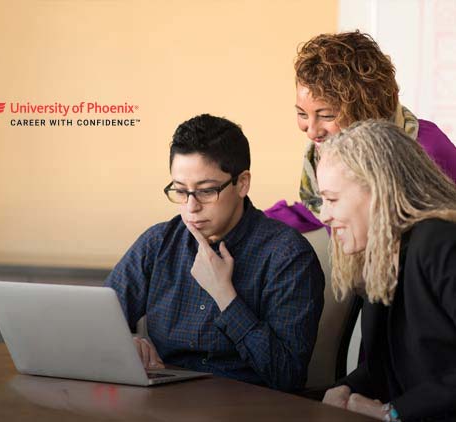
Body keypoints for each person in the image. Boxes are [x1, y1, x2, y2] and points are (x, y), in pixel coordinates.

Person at [104, 114, 324, 391]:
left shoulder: (288, 256)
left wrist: (225, 296)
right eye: (180, 191)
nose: (191, 207)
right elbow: (97, 324)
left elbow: (287, 376)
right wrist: (126, 343)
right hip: (164, 400)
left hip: (248, 404)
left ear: (242, 183)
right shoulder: (158, 243)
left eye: (206, 191)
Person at [317, 120, 456, 421]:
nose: (324, 215)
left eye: (332, 199)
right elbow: (392, 365)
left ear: (378, 190)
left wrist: (392, 413)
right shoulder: (381, 255)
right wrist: (345, 388)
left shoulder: (440, 242)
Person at [266, 30, 456, 229]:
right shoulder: (326, 156)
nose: (312, 132)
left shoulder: (427, 147)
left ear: (365, 110)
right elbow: (314, 209)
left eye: (327, 116)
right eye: (302, 114)